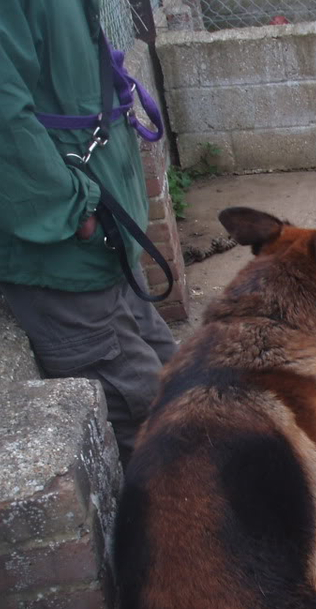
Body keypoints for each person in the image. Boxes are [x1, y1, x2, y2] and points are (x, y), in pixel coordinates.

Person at [0, 0, 176, 467]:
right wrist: (75, 210)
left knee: (177, 380)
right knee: (145, 416)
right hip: (63, 250)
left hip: (106, 237)